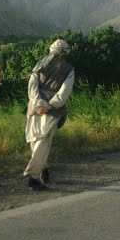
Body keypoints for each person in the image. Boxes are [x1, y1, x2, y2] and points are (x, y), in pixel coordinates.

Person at [23, 38, 74, 190]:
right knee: (43, 142)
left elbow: (32, 86)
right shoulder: (69, 69)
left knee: (34, 139)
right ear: (65, 53)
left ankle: (42, 168)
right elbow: (63, 93)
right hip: (52, 111)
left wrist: (38, 103)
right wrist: (49, 105)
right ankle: (33, 177)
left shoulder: (39, 65)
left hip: (35, 108)